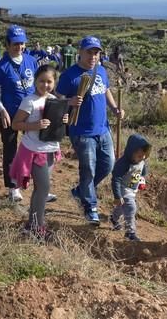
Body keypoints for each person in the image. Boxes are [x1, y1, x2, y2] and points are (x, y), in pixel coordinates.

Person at [57, 36, 124, 226]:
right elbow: (56, 97)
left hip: (103, 129)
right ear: (80, 52)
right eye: (89, 52)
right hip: (81, 131)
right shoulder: (69, 75)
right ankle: (90, 207)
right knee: (88, 170)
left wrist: (114, 109)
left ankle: (81, 192)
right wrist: (69, 102)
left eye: (96, 52)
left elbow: (106, 90)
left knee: (108, 165)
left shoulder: (101, 70)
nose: (93, 56)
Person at [10, 65, 68, 240]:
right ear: (35, 81)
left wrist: (64, 120)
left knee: (40, 189)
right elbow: (16, 124)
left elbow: (56, 125)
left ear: (54, 83)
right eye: (41, 81)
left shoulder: (54, 100)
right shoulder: (30, 101)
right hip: (35, 151)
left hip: (50, 149)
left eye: (49, 81)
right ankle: (37, 226)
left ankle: (32, 225)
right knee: (43, 188)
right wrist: (35, 126)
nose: (45, 85)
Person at [0, 25, 38, 202]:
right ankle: (12, 187)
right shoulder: (1, 67)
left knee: (35, 148)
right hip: (9, 114)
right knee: (10, 150)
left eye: (22, 43)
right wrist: (1, 110)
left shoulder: (31, 61)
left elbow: (38, 84)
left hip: (31, 112)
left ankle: (38, 185)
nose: (19, 47)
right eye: (15, 44)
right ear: (8, 45)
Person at [110, 134, 151, 242]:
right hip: (123, 189)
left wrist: (142, 181)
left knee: (122, 207)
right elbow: (116, 179)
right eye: (138, 155)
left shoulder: (141, 161)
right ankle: (130, 232)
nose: (141, 158)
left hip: (132, 189)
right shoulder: (123, 163)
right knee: (131, 207)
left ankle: (114, 218)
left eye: (143, 156)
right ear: (131, 152)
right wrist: (117, 196)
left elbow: (142, 172)